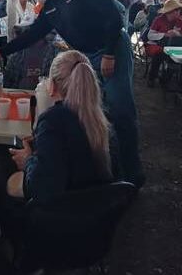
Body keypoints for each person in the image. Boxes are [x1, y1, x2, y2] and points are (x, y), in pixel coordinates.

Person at [0, 0, 145, 187]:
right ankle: (104, 170)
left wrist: (110, 54)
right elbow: (33, 34)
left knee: (120, 109)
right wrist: (1, 52)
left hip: (110, 48)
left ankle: (133, 176)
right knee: (92, 111)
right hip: (86, 55)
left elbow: (112, 16)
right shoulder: (52, 6)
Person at [8, 50, 114, 200]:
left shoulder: (52, 121)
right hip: (101, 207)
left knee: (6, 179)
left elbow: (41, 187)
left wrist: (28, 161)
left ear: (51, 86)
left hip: (64, 212)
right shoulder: (103, 118)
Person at [145, 0, 182, 85]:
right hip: (158, 45)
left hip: (173, 47)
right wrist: (165, 35)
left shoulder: (180, 21)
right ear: (170, 11)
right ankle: (152, 78)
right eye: (177, 10)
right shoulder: (159, 19)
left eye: (179, 9)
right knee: (159, 54)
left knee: (174, 57)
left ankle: (166, 79)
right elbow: (150, 35)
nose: (179, 12)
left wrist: (178, 34)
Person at [4, 25, 57, 90]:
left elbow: (58, 81)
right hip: (19, 96)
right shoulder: (17, 53)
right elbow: (7, 82)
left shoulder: (55, 52)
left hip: (45, 95)